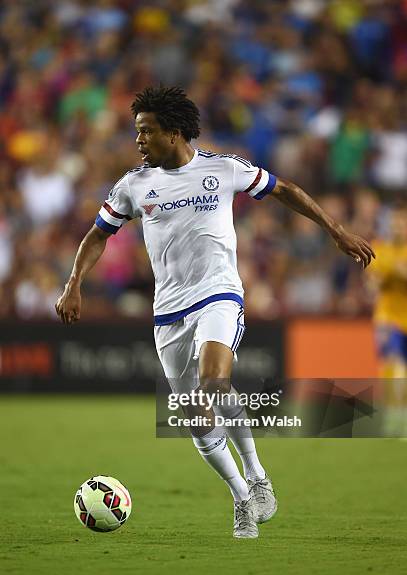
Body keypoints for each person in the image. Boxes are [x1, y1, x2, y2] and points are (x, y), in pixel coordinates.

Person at [55, 86, 375, 538]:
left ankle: (259, 476)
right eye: (137, 132)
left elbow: (285, 190)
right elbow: (97, 235)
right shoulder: (134, 185)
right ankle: (242, 495)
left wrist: (336, 230)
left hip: (218, 293)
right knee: (195, 417)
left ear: (174, 132)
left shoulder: (223, 169)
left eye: (146, 131)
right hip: (167, 311)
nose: (139, 141)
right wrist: (73, 284)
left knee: (213, 381)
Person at [368, 207, 407, 434]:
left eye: (402, 224)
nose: (398, 228)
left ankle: (400, 415)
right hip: (387, 317)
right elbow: (373, 283)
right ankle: (395, 416)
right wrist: (394, 272)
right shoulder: (381, 249)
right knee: (394, 365)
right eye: (395, 224)